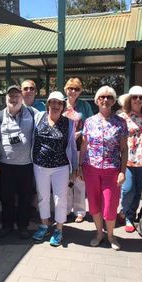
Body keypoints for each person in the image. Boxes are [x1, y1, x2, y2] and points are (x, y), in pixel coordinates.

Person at [79, 86, 128, 251]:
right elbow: (84, 146)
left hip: (112, 170)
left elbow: (124, 149)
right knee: (93, 204)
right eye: (102, 97)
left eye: (109, 97)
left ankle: (111, 235)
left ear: (113, 101)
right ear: (97, 100)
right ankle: (99, 234)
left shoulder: (120, 122)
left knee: (110, 205)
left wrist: (123, 171)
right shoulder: (89, 121)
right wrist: (80, 166)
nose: (105, 100)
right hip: (90, 169)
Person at [0, 85, 36, 239]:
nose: (13, 98)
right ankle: (7, 226)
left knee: (25, 198)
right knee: (6, 197)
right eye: (11, 96)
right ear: (6, 98)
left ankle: (23, 226)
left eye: (17, 95)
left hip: (26, 165)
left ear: (22, 98)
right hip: (6, 165)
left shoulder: (32, 113)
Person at [32, 91, 77, 247]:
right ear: (48, 104)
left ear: (63, 106)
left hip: (61, 167)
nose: (56, 105)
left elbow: (72, 146)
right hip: (40, 166)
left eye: (59, 103)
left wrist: (75, 168)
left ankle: (58, 229)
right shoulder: (38, 117)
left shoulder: (69, 123)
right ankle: (44, 225)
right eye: (53, 102)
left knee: (60, 199)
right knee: (43, 197)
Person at [118, 86, 142, 232]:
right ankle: (124, 212)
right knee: (127, 190)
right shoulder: (121, 116)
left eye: (141, 97)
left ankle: (129, 215)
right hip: (127, 158)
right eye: (135, 97)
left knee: (138, 190)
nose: (138, 100)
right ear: (129, 100)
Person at [62, 77, 93, 223]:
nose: (73, 91)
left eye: (76, 89)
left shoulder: (85, 106)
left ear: (80, 91)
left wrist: (79, 133)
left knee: (80, 179)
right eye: (70, 88)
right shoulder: (60, 104)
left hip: (80, 146)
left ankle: (80, 211)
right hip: (63, 149)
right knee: (66, 180)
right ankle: (66, 209)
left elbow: (90, 124)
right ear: (66, 89)